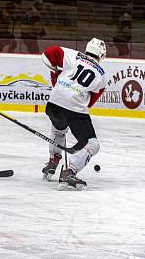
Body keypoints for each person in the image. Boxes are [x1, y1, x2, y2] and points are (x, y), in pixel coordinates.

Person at [40, 38, 108, 190]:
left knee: (59, 128)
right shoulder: (101, 74)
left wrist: (56, 73)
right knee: (92, 144)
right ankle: (70, 171)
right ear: (101, 55)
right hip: (74, 107)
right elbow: (90, 102)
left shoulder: (72, 54)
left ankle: (54, 159)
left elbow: (47, 54)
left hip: (53, 103)